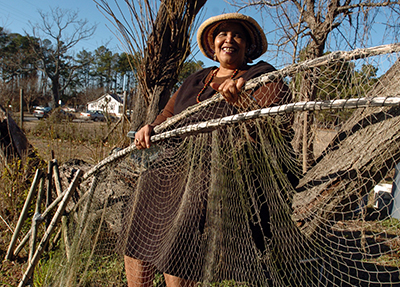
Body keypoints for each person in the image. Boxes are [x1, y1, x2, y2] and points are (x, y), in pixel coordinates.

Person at [125, 13, 292, 287]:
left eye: (237, 34)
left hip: (219, 173)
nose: (229, 39)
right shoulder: (196, 78)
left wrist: (242, 105)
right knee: (140, 222)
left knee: (184, 230)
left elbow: (276, 125)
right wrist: (150, 127)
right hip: (171, 165)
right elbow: (169, 112)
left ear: (248, 46)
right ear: (213, 45)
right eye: (222, 34)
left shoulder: (260, 76)